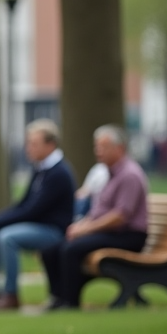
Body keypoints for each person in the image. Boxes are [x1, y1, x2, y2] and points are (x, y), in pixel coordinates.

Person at [0, 119, 76, 310]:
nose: (28, 148)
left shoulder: (58, 173)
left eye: (34, 144)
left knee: (8, 238)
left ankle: (11, 295)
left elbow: (32, 210)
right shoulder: (41, 169)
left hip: (53, 231)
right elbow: (22, 205)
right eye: (28, 143)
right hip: (38, 225)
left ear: (50, 145)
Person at [49, 125, 149, 310]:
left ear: (120, 148)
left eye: (104, 147)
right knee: (52, 248)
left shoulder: (129, 175)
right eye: (97, 146)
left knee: (71, 250)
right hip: (110, 232)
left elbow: (120, 217)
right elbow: (98, 212)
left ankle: (70, 302)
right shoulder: (110, 174)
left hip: (128, 236)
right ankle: (58, 297)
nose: (98, 151)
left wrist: (86, 229)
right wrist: (80, 226)